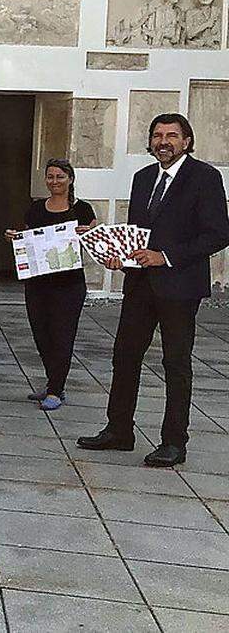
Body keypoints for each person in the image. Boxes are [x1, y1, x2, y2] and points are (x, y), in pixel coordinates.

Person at [77, 114, 229, 467]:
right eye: (158, 135)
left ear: (187, 141)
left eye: (172, 136)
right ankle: (119, 430)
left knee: (176, 363)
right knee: (124, 356)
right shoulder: (143, 178)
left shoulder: (205, 177)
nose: (164, 141)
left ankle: (174, 442)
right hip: (140, 285)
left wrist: (166, 257)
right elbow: (137, 234)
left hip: (180, 286)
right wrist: (119, 256)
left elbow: (218, 233)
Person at [3, 159, 95, 411]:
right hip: (38, 282)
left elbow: (96, 243)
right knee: (41, 334)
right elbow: (28, 238)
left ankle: (56, 390)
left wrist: (89, 234)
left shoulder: (83, 209)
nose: (54, 181)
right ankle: (53, 380)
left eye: (60, 176)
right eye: (50, 177)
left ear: (70, 179)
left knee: (62, 336)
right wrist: (15, 238)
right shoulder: (35, 209)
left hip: (69, 284)